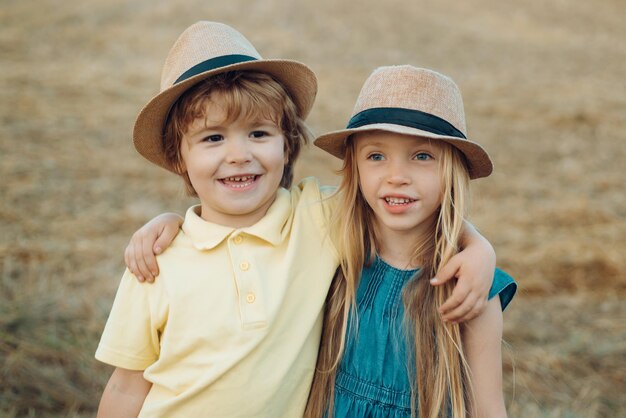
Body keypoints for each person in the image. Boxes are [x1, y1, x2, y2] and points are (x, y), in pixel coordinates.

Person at [104, 22, 498, 418]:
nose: (239, 154)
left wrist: (478, 246)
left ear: (288, 144)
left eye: (258, 133)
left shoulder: (314, 217)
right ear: (178, 158)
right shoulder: (156, 262)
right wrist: (168, 221)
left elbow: (397, 205)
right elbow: (124, 388)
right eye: (213, 138)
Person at [304, 65, 517, 417]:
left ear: (452, 172)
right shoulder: (332, 251)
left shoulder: (468, 288)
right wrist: (176, 221)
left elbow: (487, 409)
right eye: (376, 156)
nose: (397, 177)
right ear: (354, 168)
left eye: (422, 156)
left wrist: (479, 247)